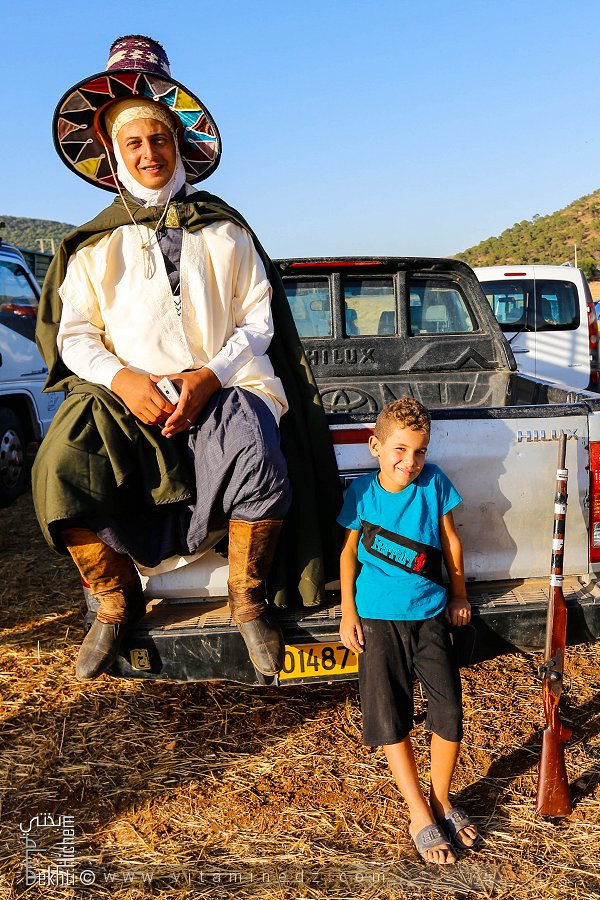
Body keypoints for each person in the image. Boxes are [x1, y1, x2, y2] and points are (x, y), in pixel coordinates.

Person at [33, 35, 341, 682]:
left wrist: (209, 377)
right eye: (135, 143)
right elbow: (76, 336)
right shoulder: (91, 246)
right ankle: (115, 601)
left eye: (160, 139)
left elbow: (258, 320)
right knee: (60, 467)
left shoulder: (225, 230)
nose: (150, 153)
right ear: (116, 155)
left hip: (223, 381)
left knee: (260, 448)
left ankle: (247, 598)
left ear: (179, 146)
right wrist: (124, 379)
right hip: (126, 391)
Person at [338, 397, 480, 864]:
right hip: (378, 618)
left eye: (419, 452)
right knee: (391, 715)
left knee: (450, 711)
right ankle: (419, 812)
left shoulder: (435, 482)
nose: (410, 462)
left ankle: (442, 798)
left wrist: (458, 595)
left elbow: (450, 540)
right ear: (375, 446)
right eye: (400, 450)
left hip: (431, 615)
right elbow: (347, 554)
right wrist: (348, 612)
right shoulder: (362, 494)